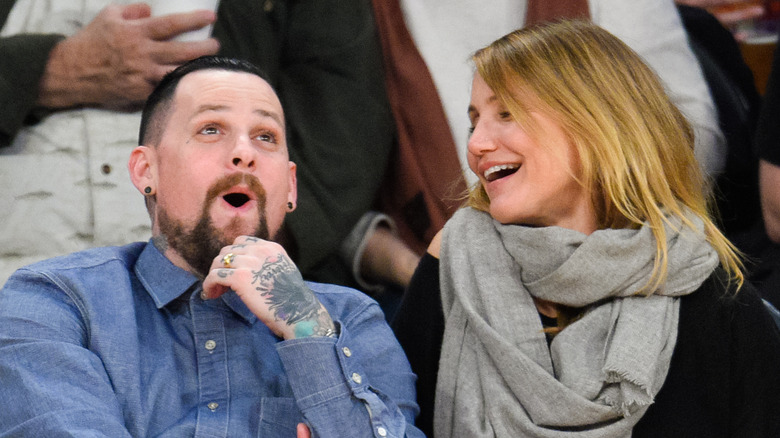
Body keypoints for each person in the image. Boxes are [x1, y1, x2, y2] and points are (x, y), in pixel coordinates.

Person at [392, 20, 780, 437]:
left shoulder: (707, 291)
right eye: (474, 122)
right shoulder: (454, 258)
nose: (476, 143)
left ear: (597, 125)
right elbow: (388, 421)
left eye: (507, 113)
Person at [0, 56, 423, 437]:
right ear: (147, 170)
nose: (243, 153)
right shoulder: (56, 302)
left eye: (265, 136)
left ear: (290, 186)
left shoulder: (351, 319)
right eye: (210, 130)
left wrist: (308, 332)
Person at [0, 1, 430, 299]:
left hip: (225, 279)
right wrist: (49, 70)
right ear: (142, 169)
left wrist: (242, 255)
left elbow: (343, 133)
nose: (244, 153)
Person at [397, 0, 726, 186]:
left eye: (508, 114)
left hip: (622, 239)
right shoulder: (368, 15)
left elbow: (692, 136)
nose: (478, 143)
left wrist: (596, 217)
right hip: (423, 265)